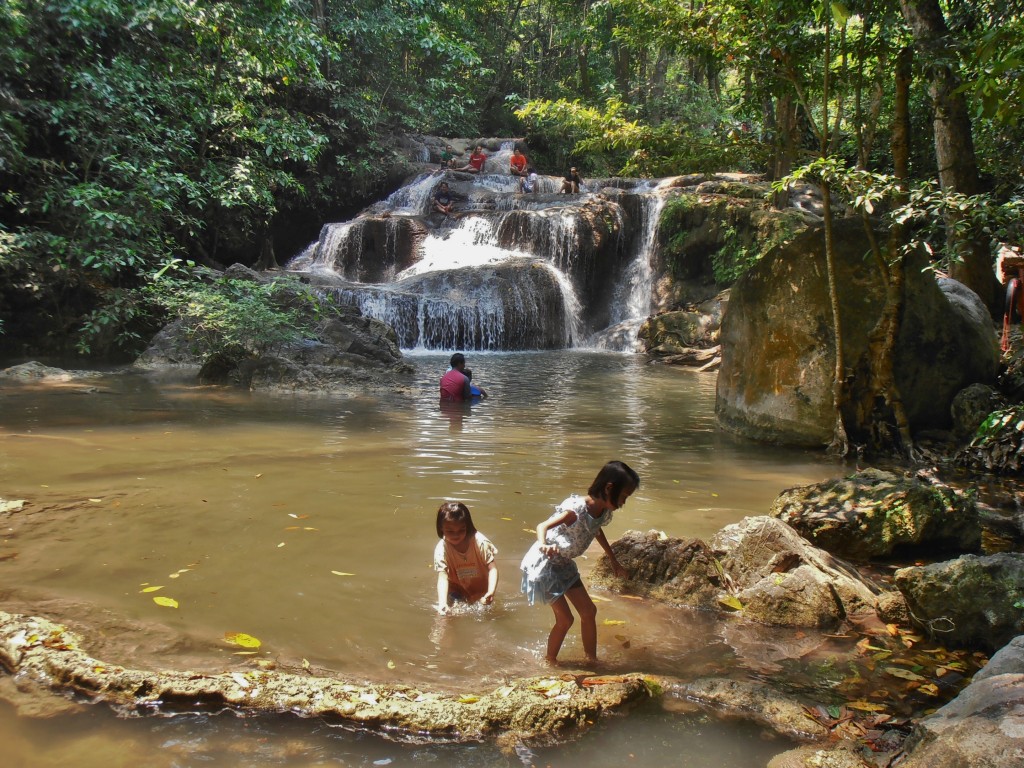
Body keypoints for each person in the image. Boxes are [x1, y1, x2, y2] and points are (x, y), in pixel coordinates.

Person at [520, 460, 638, 665]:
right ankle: (550, 661)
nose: (623, 503)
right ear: (609, 488)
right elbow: (543, 526)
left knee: (589, 611)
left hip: (564, 563)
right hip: (544, 565)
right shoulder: (575, 509)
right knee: (566, 619)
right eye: (623, 496)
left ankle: (591, 660)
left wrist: (614, 561)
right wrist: (543, 545)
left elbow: (596, 530)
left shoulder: (603, 512)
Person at [434, 501, 498, 614]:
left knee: (488, 617)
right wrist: (442, 603)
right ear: (441, 528)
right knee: (445, 616)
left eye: (461, 530)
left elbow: (492, 568)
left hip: (482, 592)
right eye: (450, 531)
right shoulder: (442, 549)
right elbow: (442, 576)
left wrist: (491, 591)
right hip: (456, 591)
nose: (456, 535)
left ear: (467, 527)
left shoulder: (480, 542)